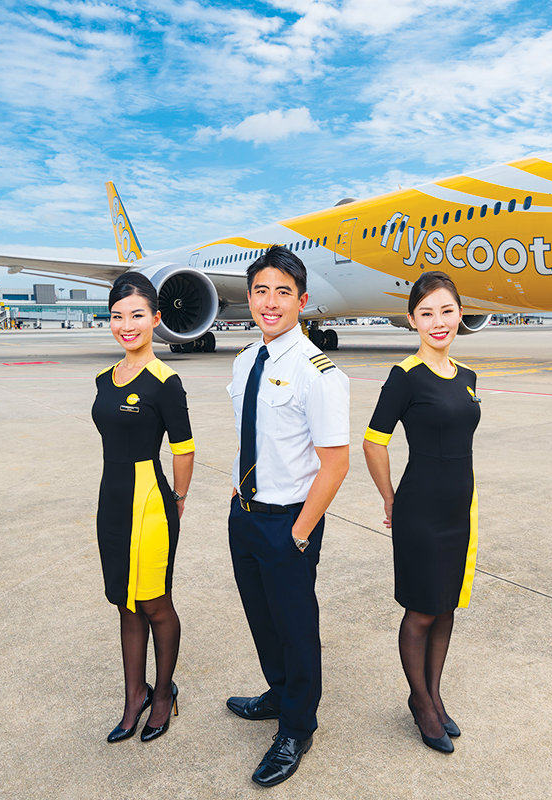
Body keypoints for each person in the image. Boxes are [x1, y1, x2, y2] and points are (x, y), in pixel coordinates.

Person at [225, 246, 350, 787]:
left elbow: (336, 463)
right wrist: (237, 495)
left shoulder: (317, 371)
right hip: (246, 514)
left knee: (296, 626)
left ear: (301, 301)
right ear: (249, 298)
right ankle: (278, 694)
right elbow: (251, 436)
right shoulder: (245, 360)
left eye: (282, 292)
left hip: (288, 523)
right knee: (262, 616)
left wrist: (300, 533)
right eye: (260, 291)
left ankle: (298, 727)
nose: (269, 302)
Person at [362, 271, 481, 754]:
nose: (438, 322)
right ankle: (420, 701)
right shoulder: (405, 376)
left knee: (447, 606)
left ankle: (434, 694)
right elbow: (374, 441)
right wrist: (390, 498)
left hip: (460, 508)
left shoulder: (469, 377)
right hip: (421, 509)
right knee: (421, 610)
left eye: (446, 311)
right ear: (411, 319)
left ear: (459, 314)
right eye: (426, 313)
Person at [91, 272, 194, 743]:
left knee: (154, 602)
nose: (126, 325)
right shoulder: (104, 378)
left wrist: (178, 499)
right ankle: (134, 695)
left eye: (136, 315)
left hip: (151, 501)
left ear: (156, 319)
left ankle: (163, 695)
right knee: (124, 603)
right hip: (111, 499)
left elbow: (184, 447)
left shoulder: (165, 381)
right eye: (117, 316)